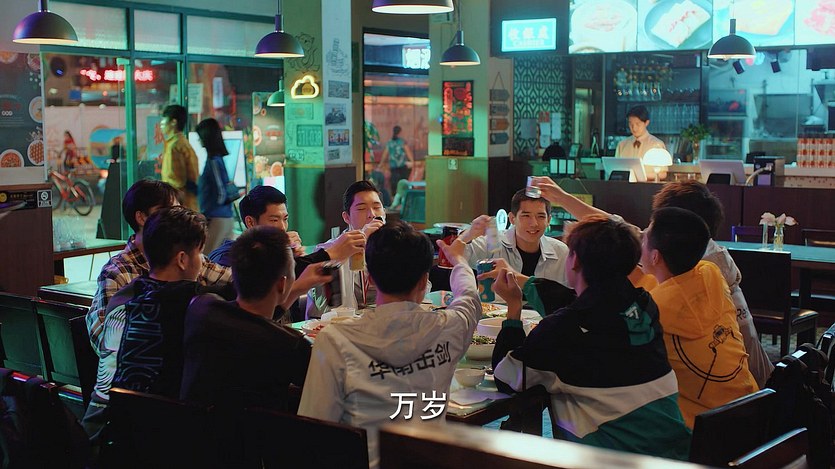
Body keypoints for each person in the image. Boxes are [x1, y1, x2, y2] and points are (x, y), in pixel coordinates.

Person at [491, 215, 691, 459]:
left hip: (617, 462)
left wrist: (514, 308)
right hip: (677, 454)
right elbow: (586, 305)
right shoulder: (644, 305)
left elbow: (506, 376)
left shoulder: (563, 329)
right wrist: (526, 284)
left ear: (574, 260)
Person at [298, 222, 481, 469]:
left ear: (370, 278)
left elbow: (314, 428)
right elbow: (469, 298)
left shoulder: (336, 339)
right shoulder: (450, 327)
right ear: (424, 281)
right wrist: (459, 260)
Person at [641, 207, 758, 428]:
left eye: (645, 236)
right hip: (753, 411)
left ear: (655, 256)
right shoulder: (711, 274)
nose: (641, 240)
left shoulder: (650, 312)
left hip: (703, 432)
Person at [86, 179, 231, 354]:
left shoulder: (191, 258)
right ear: (141, 218)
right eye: (168, 211)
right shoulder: (118, 272)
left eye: (178, 211)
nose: (176, 219)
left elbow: (233, 279)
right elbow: (104, 342)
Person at [652, 180, 773, 388]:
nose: (650, 231)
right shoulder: (711, 255)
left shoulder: (702, 270)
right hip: (758, 383)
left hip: (747, 392)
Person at [181, 226, 313, 412]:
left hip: (191, 427)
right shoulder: (292, 345)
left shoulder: (201, 308)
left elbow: (252, 322)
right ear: (282, 284)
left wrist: (300, 288)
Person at [209, 185, 363, 321]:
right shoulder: (227, 257)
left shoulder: (282, 252)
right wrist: (327, 253)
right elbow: (258, 292)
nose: (282, 227)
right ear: (250, 222)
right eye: (274, 220)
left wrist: (291, 259)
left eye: (285, 219)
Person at [305, 180, 387, 318]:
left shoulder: (390, 246)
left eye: (377, 207)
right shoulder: (327, 250)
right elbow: (325, 305)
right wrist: (361, 240)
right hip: (334, 324)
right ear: (346, 217)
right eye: (361, 209)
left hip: (379, 321)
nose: (372, 214)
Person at [459, 189, 569, 286]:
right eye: (526, 216)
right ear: (512, 219)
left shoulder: (561, 252)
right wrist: (469, 234)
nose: (534, 223)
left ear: (548, 220)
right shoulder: (493, 242)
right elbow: (456, 254)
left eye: (541, 216)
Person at [197, 118, 235, 254]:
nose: (199, 140)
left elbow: (221, 192)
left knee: (207, 258)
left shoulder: (213, 162)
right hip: (223, 217)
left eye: (200, 137)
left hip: (216, 218)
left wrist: (208, 213)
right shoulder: (218, 160)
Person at [160, 104, 199, 210]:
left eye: (164, 119)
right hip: (186, 204)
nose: (161, 123)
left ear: (173, 122)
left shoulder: (174, 146)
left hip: (179, 205)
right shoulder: (181, 142)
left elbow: (176, 180)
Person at [376, 125, 414, 196]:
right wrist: (412, 161)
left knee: (394, 183)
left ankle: (394, 198)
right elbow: (408, 152)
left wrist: (381, 164)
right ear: (400, 132)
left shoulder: (389, 143)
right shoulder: (402, 142)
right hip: (402, 166)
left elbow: (385, 154)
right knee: (403, 183)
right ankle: (404, 197)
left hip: (393, 166)